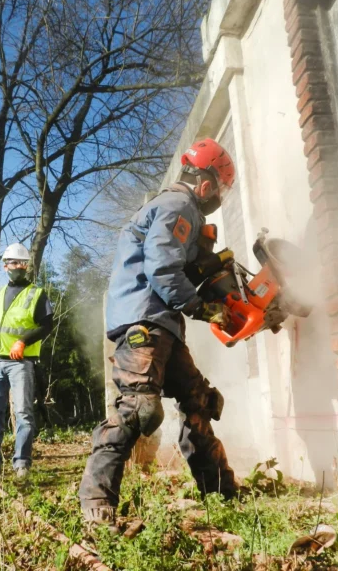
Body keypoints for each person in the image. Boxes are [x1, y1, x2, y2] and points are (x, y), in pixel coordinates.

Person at [78, 138, 240, 529]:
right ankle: (96, 503)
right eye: (219, 188)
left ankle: (221, 493)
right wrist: (202, 308)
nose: (217, 196)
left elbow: (176, 266)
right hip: (144, 321)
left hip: (161, 323)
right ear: (205, 183)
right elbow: (163, 269)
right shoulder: (177, 204)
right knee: (140, 408)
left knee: (199, 400)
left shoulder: (176, 210)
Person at [0, 243, 54, 480]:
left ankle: (22, 464)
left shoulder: (36, 293)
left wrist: (23, 342)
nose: (19, 267)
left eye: (23, 263)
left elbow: (47, 325)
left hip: (21, 363)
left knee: (24, 414)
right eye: (15, 262)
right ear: (5, 266)